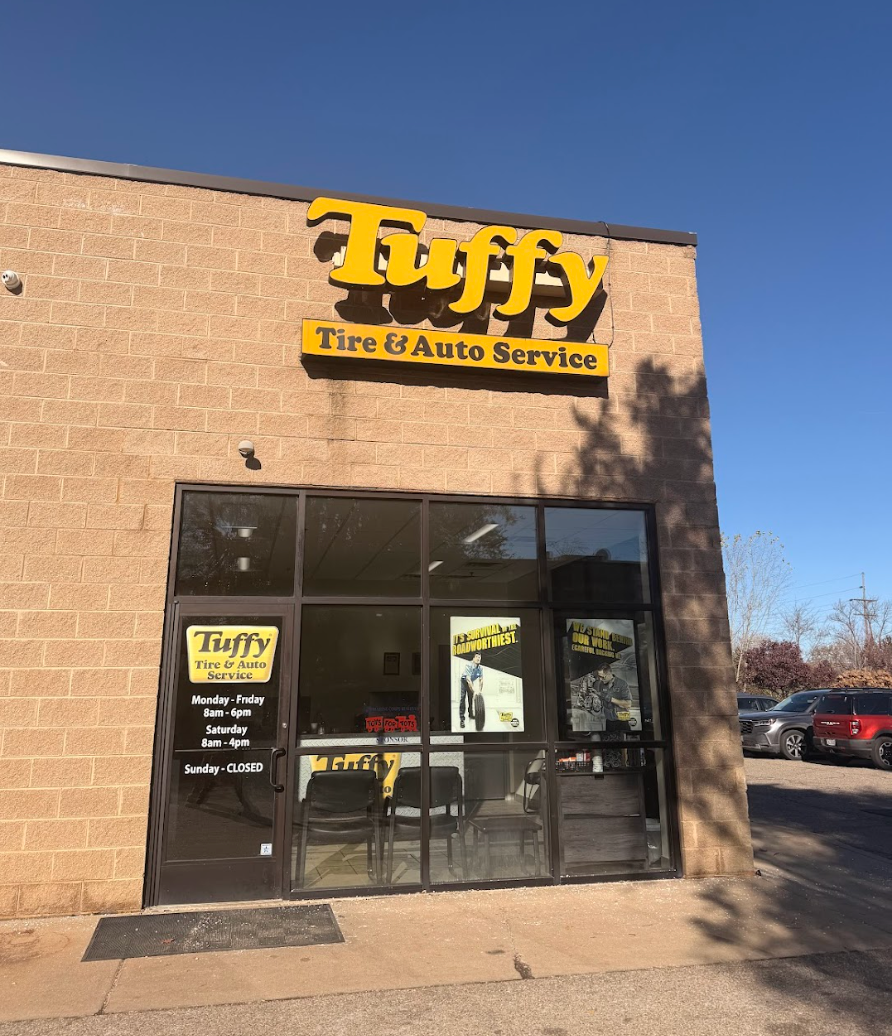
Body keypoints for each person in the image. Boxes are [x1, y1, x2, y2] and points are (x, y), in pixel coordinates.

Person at [459, 652, 483, 729]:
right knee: (463, 698)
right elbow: (468, 680)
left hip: (470, 681)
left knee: (471, 698)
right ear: (473, 658)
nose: (478, 658)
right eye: (477, 657)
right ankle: (462, 719)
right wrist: (474, 690)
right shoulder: (469, 665)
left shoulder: (480, 668)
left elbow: (481, 680)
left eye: (479, 657)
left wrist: (479, 691)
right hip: (464, 680)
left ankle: (470, 714)